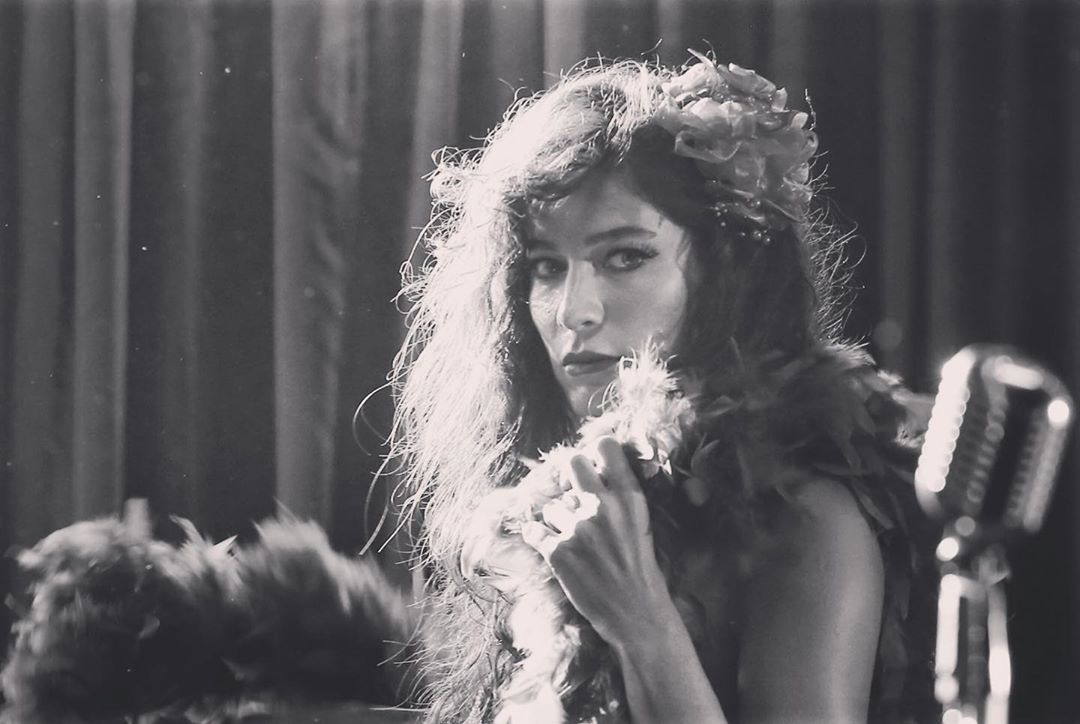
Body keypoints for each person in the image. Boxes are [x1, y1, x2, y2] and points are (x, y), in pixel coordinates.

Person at [388, 53, 934, 724]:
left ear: (723, 273)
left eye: (625, 257)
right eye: (546, 267)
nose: (573, 311)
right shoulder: (535, 509)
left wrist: (639, 622)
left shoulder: (804, 517)